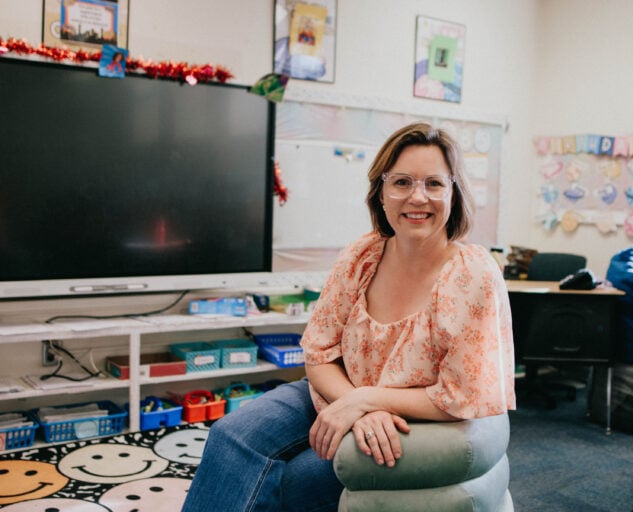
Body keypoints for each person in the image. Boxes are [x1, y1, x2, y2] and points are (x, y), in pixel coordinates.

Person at [181, 122, 516, 512]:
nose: (417, 197)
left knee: (298, 480)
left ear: (454, 192)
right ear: (381, 192)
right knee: (229, 435)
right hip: (334, 391)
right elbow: (319, 352)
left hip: (410, 420)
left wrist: (367, 402)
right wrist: (354, 403)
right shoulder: (362, 254)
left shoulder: (473, 274)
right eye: (402, 182)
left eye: (434, 184)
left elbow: (462, 397)